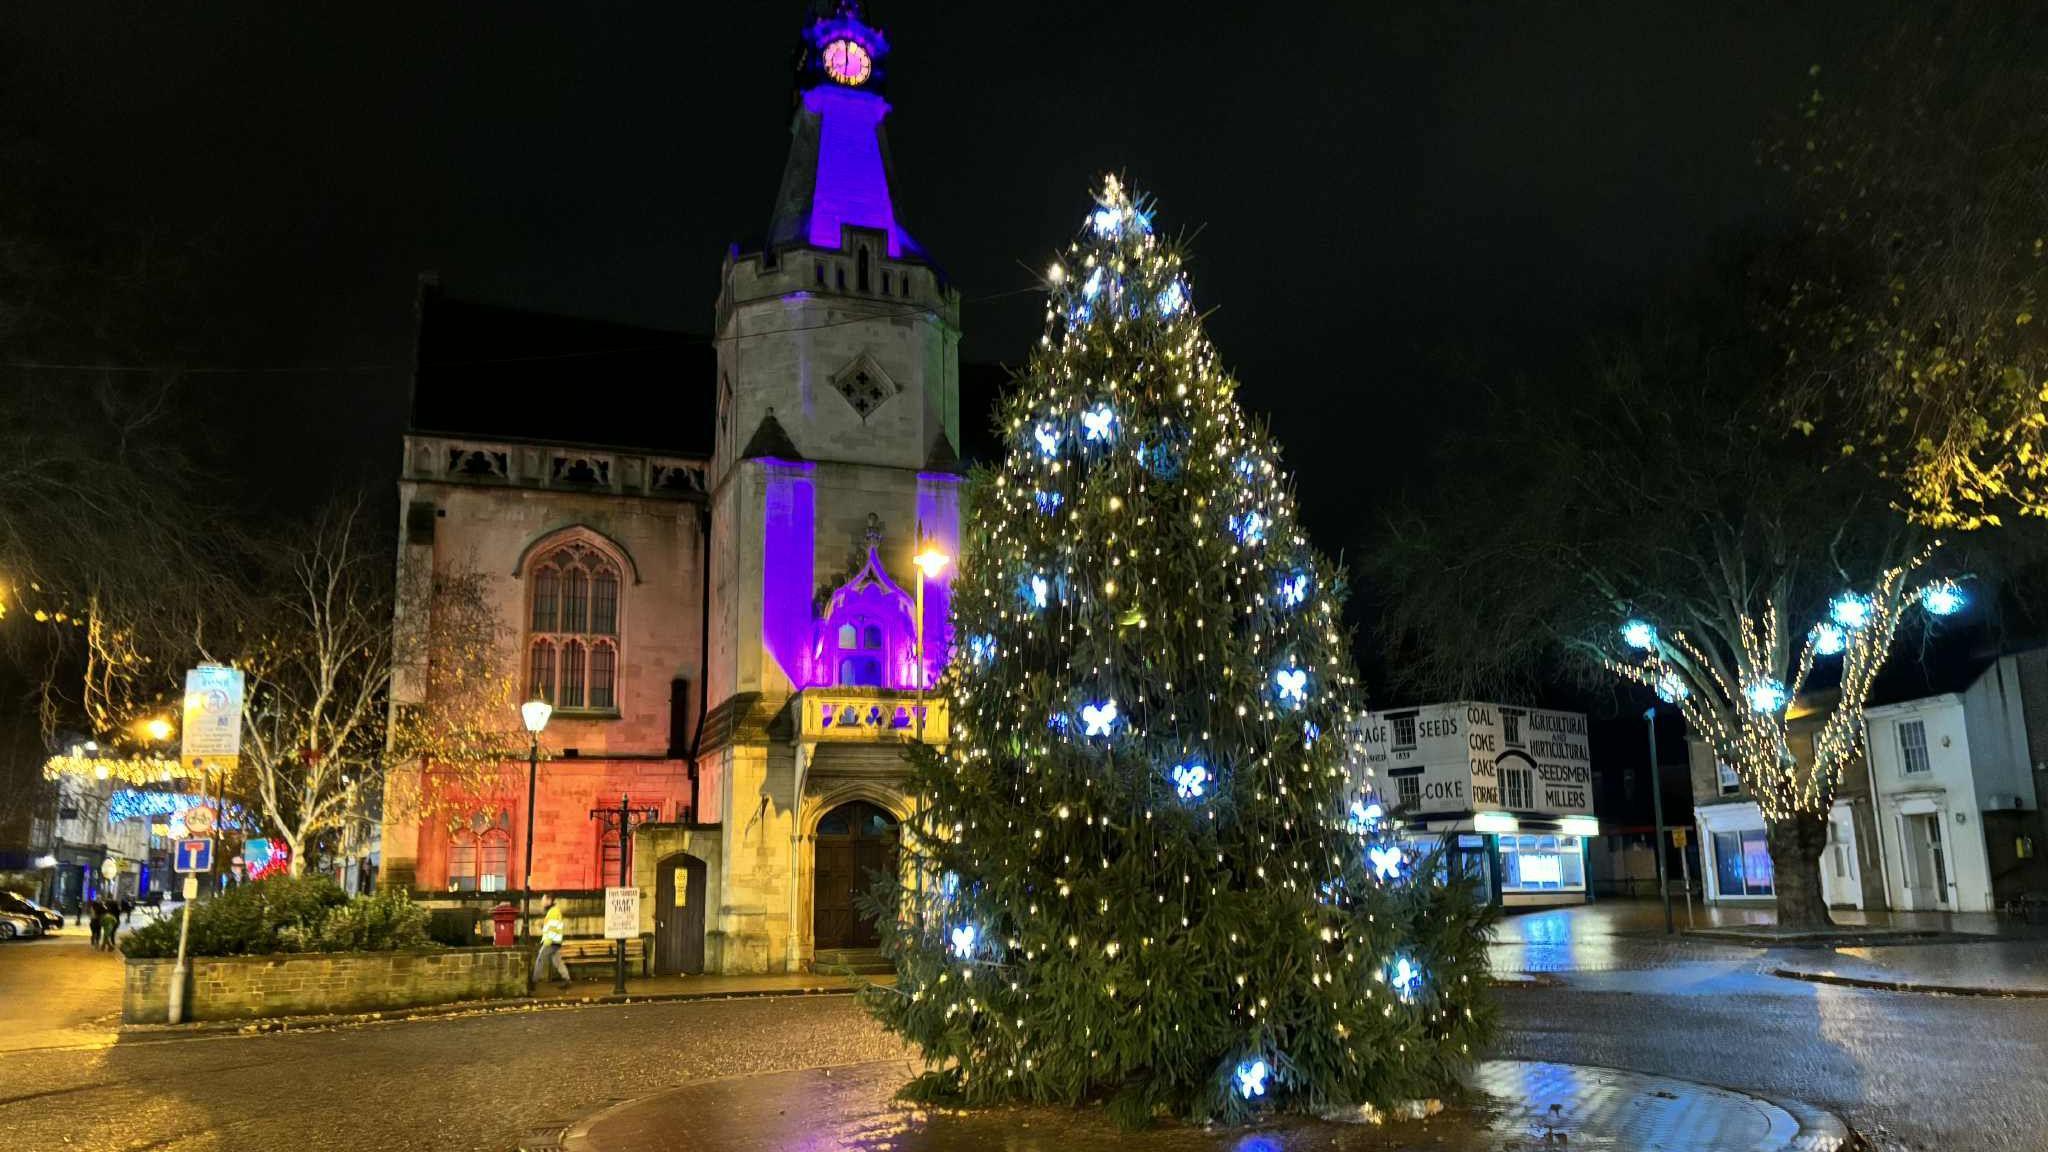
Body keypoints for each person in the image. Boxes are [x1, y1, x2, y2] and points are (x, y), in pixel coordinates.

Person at [533, 893, 571, 989]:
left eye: (543, 900)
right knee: (557, 961)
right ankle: (567, 979)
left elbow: (552, 929)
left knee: (540, 959)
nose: (542, 902)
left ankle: (533, 981)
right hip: (555, 941)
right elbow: (551, 927)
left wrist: (546, 942)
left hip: (551, 942)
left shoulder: (553, 912)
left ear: (549, 901)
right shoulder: (553, 911)